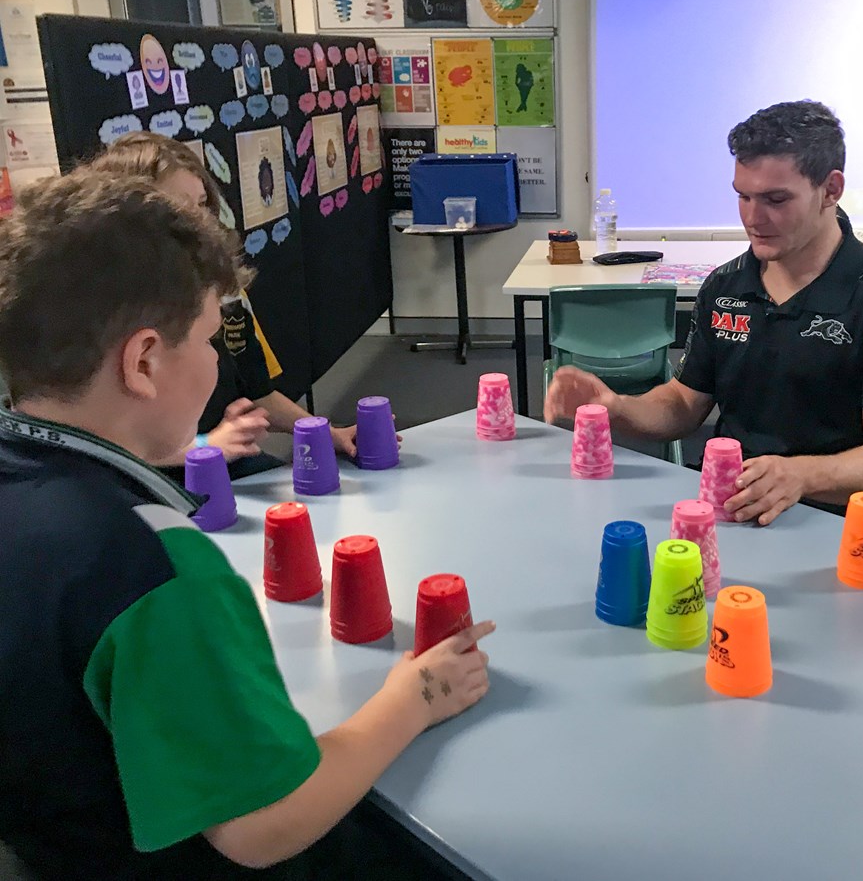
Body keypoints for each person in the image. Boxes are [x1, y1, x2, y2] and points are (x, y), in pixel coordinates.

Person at [0, 172, 495, 878]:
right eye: (208, 341)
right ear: (143, 361)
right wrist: (416, 696)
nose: (215, 361)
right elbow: (263, 826)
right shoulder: (156, 567)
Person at [545, 101, 863, 524]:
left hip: (831, 518)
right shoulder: (725, 286)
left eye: (776, 199)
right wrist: (618, 406)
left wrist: (801, 475)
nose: (753, 218)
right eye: (743, 196)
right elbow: (683, 403)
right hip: (727, 501)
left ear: (831, 189)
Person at [88, 132, 361, 469]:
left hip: (227, 461)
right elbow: (105, 452)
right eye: (178, 207)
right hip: (159, 479)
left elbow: (259, 393)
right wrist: (206, 446)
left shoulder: (225, 292)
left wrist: (325, 433)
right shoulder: (106, 316)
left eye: (201, 204)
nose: (198, 221)